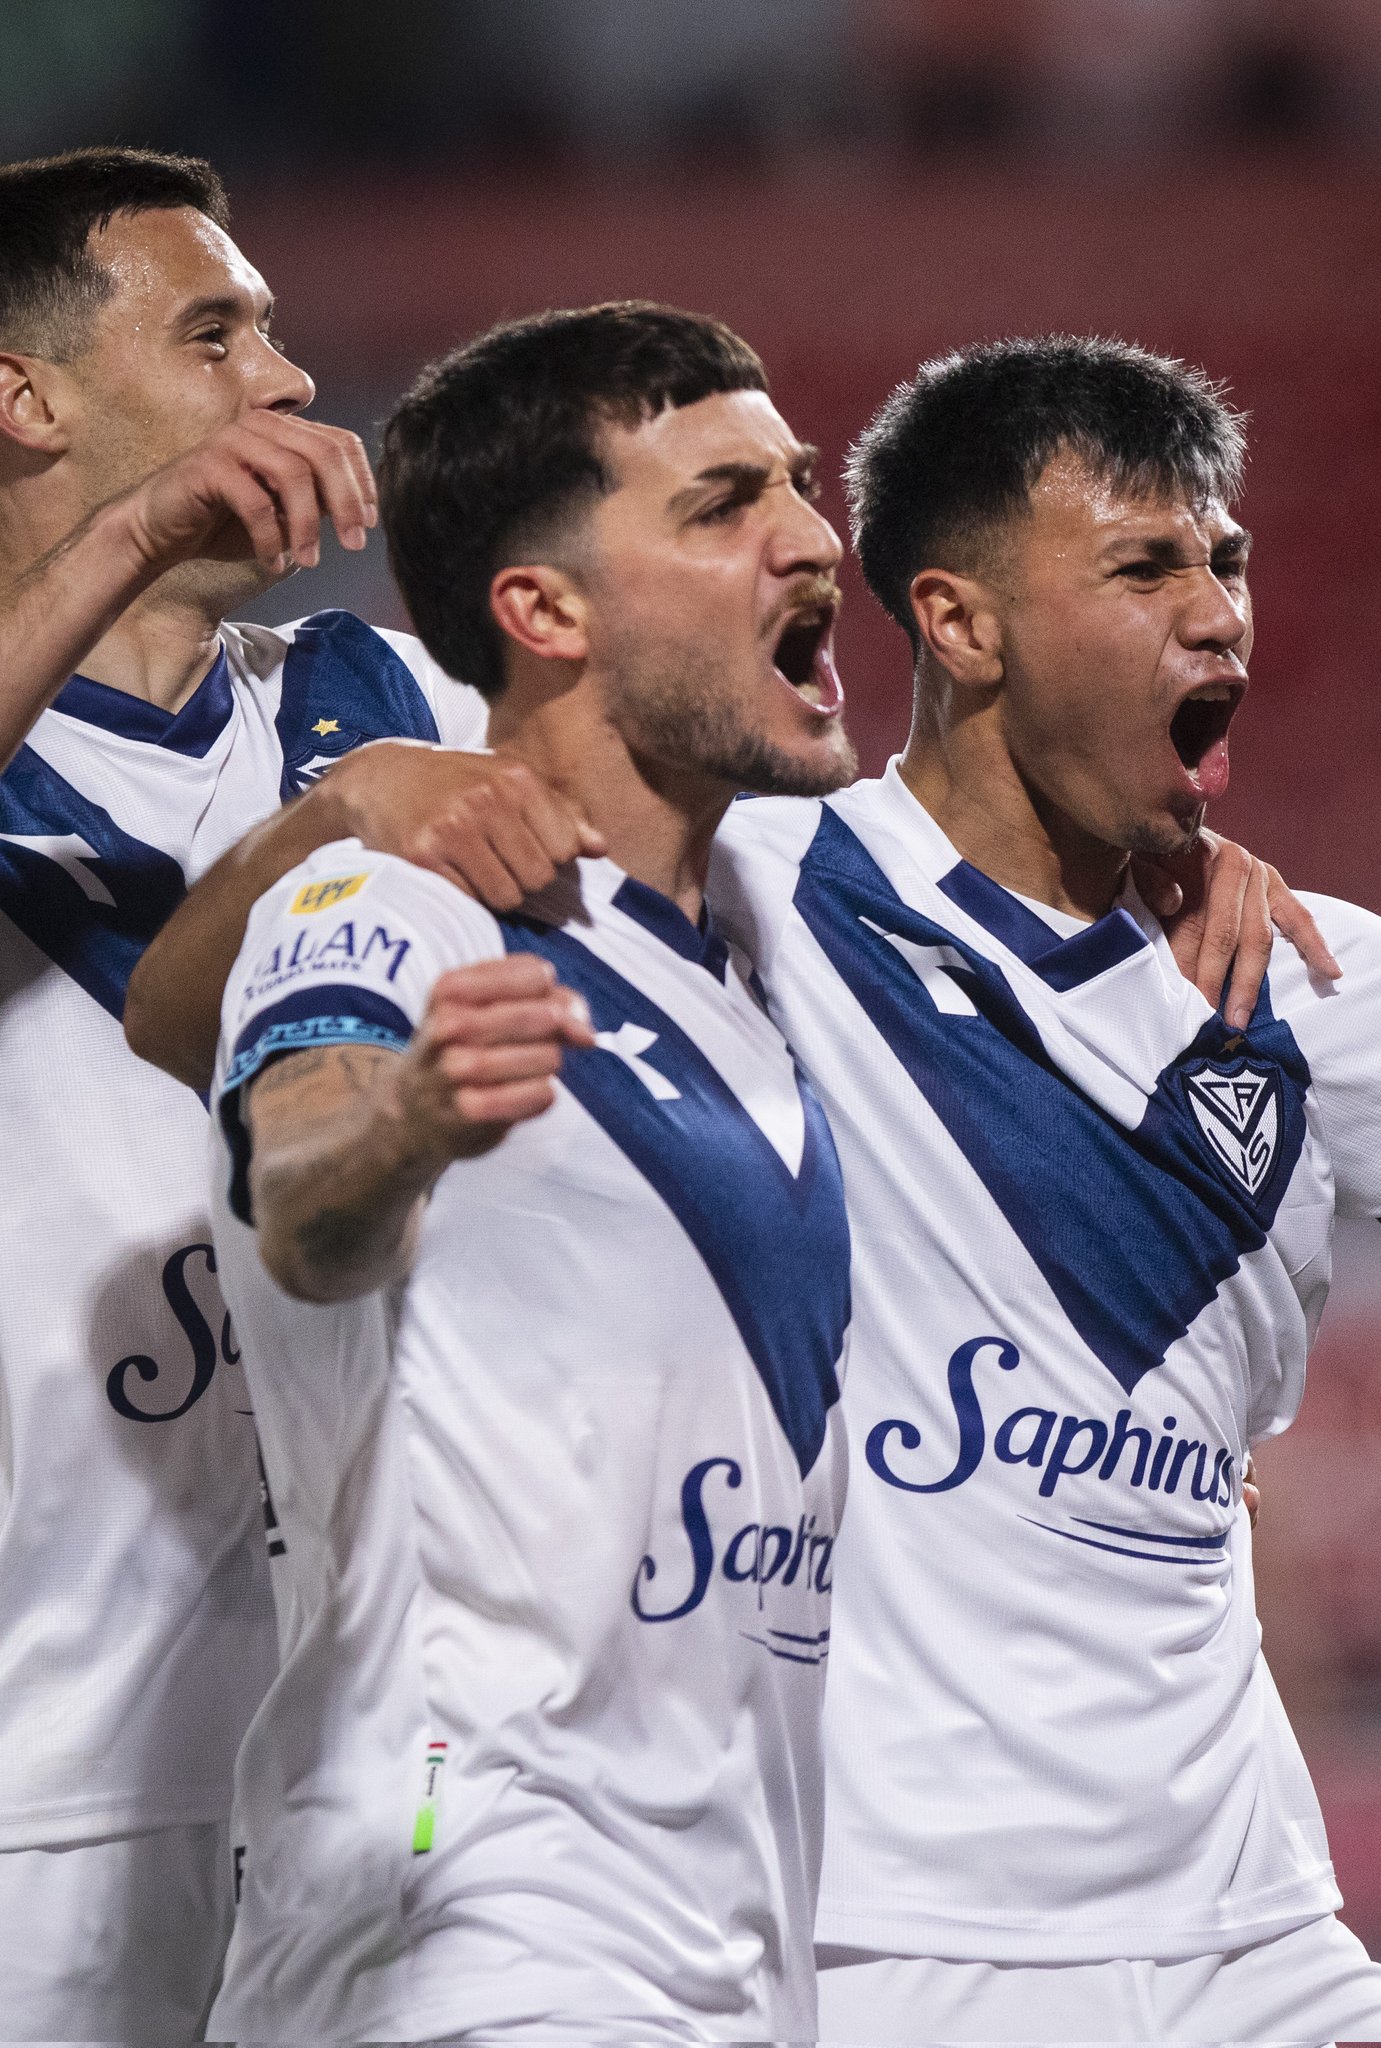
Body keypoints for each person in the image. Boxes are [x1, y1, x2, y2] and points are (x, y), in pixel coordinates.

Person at [706, 335, 1381, 2044]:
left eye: (1228, 560)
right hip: (891, 1950)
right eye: (1142, 565)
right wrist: (404, 787)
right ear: (959, 622)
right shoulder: (743, 896)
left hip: (1258, 1938)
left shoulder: (1290, 975)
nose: (1217, 611)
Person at [203, 304, 859, 2042]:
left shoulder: (764, 949)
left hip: (726, 1933)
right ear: (543, 611)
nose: (811, 535)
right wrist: (409, 1123)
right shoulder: (394, 907)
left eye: (798, 484)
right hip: (472, 1908)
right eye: (723, 504)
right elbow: (307, 1200)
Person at [0, 145, 596, 2038]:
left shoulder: (402, 699)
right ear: (22, 399)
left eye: (272, 328)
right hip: (49, 1787)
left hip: (398, 1758)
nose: (279, 378)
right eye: (211, 333)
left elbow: (771, 872)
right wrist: (117, 544)